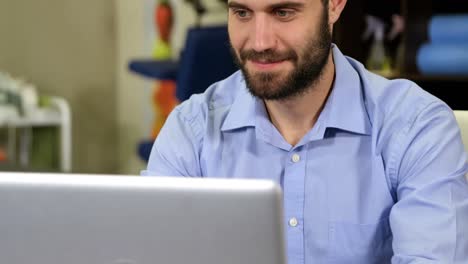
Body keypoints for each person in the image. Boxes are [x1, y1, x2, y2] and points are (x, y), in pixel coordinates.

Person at [142, 0, 468, 263]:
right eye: (242, 12)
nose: (260, 42)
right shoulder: (191, 130)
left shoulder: (416, 128)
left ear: (335, 6)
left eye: (283, 12)